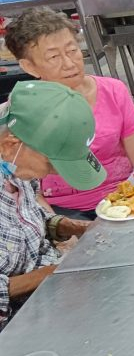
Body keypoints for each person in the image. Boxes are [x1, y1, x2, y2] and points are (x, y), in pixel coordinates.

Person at [5, 7, 134, 220]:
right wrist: (58, 227)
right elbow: (26, 189)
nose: (69, 63)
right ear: (29, 66)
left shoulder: (113, 91)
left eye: (72, 50)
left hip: (123, 198)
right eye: (53, 56)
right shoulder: (22, 110)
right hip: (62, 211)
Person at [0, 81, 106, 332]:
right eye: (50, 165)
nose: (52, 174)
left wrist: (73, 227)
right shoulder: (16, 155)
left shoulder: (15, 163)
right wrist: (56, 272)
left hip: (49, 299)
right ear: (11, 144)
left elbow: (23, 221)